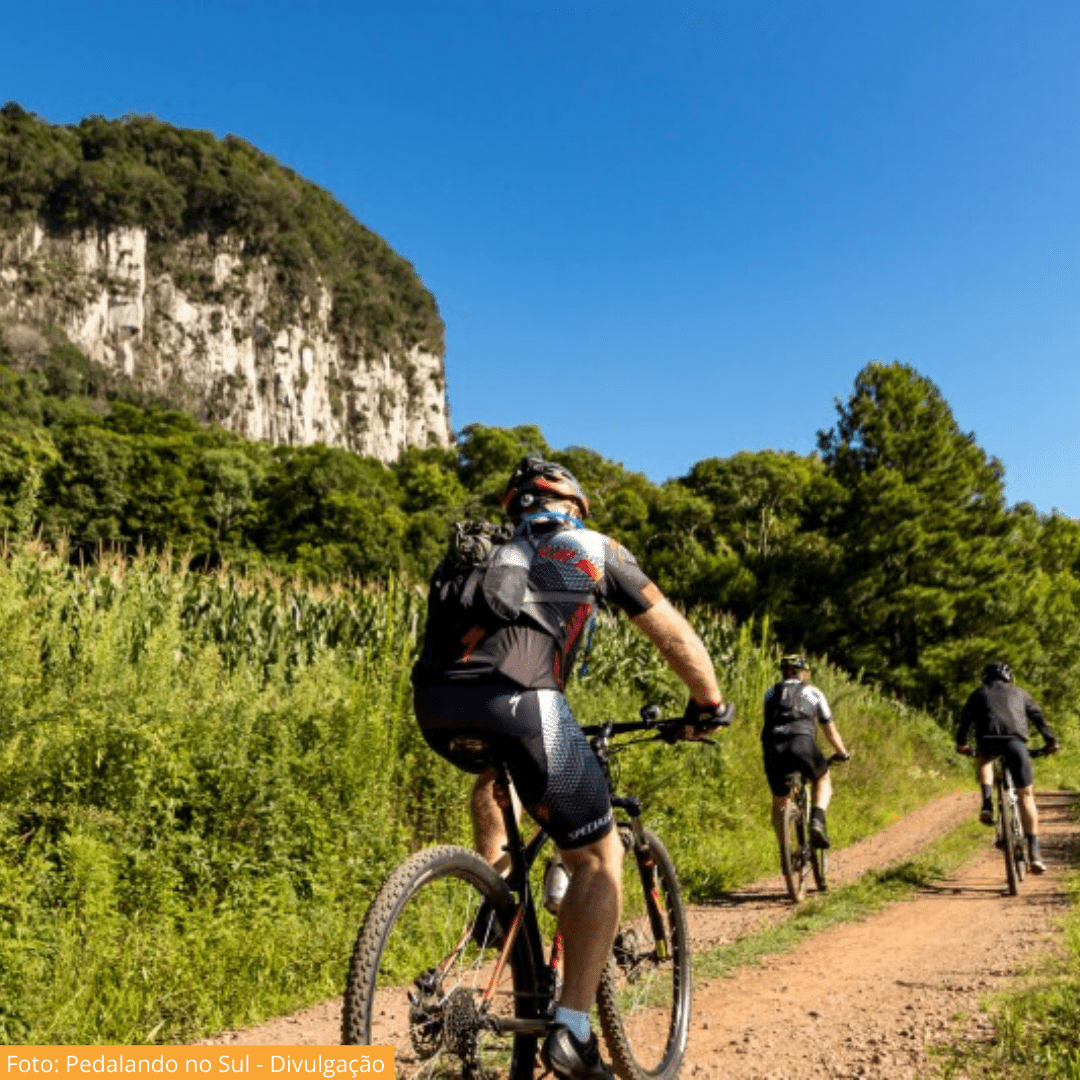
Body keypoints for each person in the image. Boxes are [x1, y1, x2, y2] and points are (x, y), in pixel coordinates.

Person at [412, 456, 732, 1080]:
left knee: (498, 776)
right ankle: (574, 1032)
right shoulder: (589, 546)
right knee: (597, 858)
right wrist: (709, 703)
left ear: (515, 508)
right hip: (525, 702)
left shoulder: (479, 551)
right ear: (575, 507)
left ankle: (496, 896)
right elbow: (673, 635)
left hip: (437, 707)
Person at [956, 662, 1059, 873]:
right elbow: (1038, 718)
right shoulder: (1020, 693)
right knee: (1026, 796)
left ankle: (986, 803)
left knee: (985, 759)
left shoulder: (979, 693)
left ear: (986, 678)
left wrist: (962, 743)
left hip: (988, 740)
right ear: (1008, 678)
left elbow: (965, 720)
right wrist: (1050, 742)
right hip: (1016, 743)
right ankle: (1034, 852)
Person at [762, 654, 850, 852]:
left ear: (783, 672)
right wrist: (842, 752)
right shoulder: (814, 692)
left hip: (773, 747)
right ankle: (817, 821)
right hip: (802, 743)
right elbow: (829, 729)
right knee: (822, 778)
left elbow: (768, 723)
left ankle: (785, 851)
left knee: (780, 800)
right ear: (803, 672)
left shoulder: (770, 693)